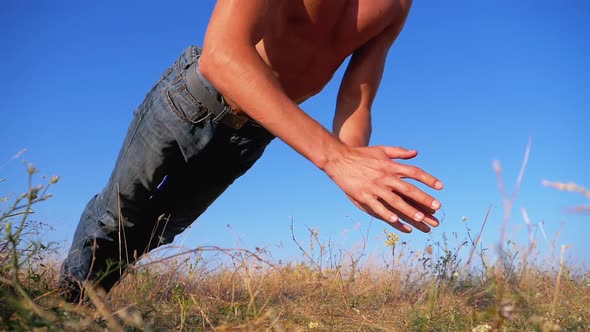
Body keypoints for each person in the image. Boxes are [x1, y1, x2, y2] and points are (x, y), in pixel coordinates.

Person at [60, 0, 443, 303]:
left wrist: (356, 163)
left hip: (254, 131)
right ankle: (61, 306)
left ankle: (83, 307)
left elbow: (356, 99)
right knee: (118, 214)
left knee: (159, 230)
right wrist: (336, 159)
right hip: (194, 99)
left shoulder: (398, 4)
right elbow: (222, 56)